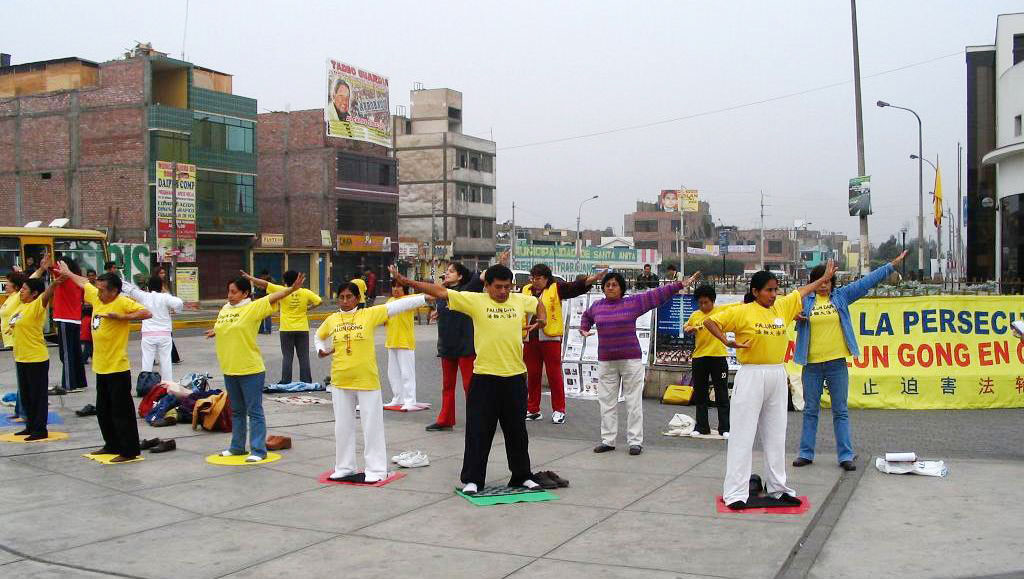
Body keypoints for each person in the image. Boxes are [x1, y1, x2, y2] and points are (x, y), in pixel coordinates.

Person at [391, 264, 546, 495]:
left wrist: (542, 318)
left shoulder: (519, 300)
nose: (503, 291)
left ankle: (522, 476)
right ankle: (473, 479)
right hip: (484, 378)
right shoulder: (475, 300)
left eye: (507, 287)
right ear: (487, 286)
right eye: (498, 287)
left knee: (517, 432)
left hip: (514, 378)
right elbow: (440, 291)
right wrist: (407, 281)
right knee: (478, 432)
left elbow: (538, 303)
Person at [703, 263, 837, 510]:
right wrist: (727, 341)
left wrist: (824, 278)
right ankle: (736, 492)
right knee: (743, 435)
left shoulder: (782, 307)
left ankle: (778, 488)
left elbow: (803, 291)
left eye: (775, 289)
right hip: (751, 375)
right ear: (755, 292)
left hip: (777, 373)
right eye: (768, 290)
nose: (774, 294)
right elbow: (710, 322)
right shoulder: (742, 312)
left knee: (776, 435)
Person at [793, 251, 907, 471]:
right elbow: (781, 308)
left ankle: (845, 455)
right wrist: (794, 315)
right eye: (820, 281)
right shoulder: (803, 300)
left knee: (840, 410)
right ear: (813, 283)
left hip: (836, 364)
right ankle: (805, 453)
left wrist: (891, 265)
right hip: (811, 365)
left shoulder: (841, 297)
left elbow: (866, 282)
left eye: (827, 281)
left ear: (833, 283)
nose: (823, 286)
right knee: (810, 410)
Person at [314, 281, 427, 482]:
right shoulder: (332, 319)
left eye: (349, 297)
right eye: (342, 297)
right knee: (342, 426)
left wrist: (425, 297)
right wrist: (321, 349)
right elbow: (318, 336)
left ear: (358, 298)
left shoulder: (369, 314)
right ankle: (344, 467)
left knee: (372, 426)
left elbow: (397, 306)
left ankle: (376, 469)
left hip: (367, 380)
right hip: (340, 380)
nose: (345, 301)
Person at [581, 270, 699, 455]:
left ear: (622, 288)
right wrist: (584, 328)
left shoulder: (632, 303)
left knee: (633, 402)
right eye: (607, 285)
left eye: (614, 285)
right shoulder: (597, 306)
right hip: (606, 361)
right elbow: (586, 317)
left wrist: (679, 285)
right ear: (603, 288)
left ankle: (635, 442)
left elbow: (656, 294)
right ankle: (608, 440)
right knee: (606, 402)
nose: (610, 287)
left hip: (630, 360)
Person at [57, 261, 153, 462]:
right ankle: (111, 444)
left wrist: (122, 317)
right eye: (98, 289)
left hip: (117, 367)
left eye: (102, 290)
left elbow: (147, 312)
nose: (98, 292)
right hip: (101, 367)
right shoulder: (97, 297)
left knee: (121, 412)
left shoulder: (122, 301)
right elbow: (84, 283)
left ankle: (129, 450)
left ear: (114, 291)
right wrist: (68, 273)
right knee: (103, 410)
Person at [206, 274, 303, 462]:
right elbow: (225, 326)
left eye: (234, 292)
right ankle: (237, 447)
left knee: (254, 411)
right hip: (230, 368)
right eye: (229, 291)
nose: (230, 295)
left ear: (245, 293)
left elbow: (273, 297)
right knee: (237, 411)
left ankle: (258, 450)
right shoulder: (225, 309)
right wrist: (215, 331)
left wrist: (292, 289)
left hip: (250, 369)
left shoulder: (252, 307)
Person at [522, 264, 601, 424]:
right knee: (533, 375)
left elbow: (574, 287)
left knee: (554, 375)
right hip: (530, 338)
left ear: (546, 278)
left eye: (538, 278)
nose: (535, 281)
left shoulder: (556, 288)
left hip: (550, 338)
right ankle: (533, 409)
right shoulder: (525, 290)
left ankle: (559, 410)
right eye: (533, 278)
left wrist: (589, 280)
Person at [425, 262, 483, 432]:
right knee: (447, 386)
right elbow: (443, 309)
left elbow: (479, 277)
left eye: (451, 271)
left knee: (469, 386)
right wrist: (437, 313)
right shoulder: (442, 293)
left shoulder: (468, 290)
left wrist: (501, 262)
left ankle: (477, 420)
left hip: (466, 345)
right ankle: (446, 419)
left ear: (460, 276)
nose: (447, 273)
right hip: (446, 345)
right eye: (447, 271)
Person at [242, 270, 322, 384]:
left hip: (286, 329)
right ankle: (306, 380)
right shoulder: (306, 292)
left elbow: (264, 284)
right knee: (304, 356)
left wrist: (250, 278)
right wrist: (308, 308)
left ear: (285, 281)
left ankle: (286, 381)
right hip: (302, 329)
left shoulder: (281, 290)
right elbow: (319, 301)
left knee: (287, 356)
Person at [7, 277, 59, 440]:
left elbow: (46, 295)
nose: (21, 291)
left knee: (38, 396)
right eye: (21, 288)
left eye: (24, 289)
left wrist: (55, 283)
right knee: (26, 396)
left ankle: (40, 429)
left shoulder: (36, 305)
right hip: (21, 358)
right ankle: (30, 426)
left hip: (36, 359)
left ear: (34, 293)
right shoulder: (21, 306)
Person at [684, 284, 737, 437]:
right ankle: (702, 427)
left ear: (713, 301)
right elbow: (686, 327)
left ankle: (725, 428)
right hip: (699, 357)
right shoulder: (695, 315)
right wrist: (689, 329)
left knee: (721, 392)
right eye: (700, 303)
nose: (703, 306)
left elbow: (740, 305)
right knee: (700, 393)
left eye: (706, 302)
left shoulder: (721, 311)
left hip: (718, 357)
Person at [121, 276, 184, 383]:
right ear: (161, 286)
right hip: (164, 334)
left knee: (147, 361)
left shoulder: (144, 296)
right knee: (166, 361)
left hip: (148, 334)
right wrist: (177, 310)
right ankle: (167, 384)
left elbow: (130, 290)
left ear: (148, 286)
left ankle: (145, 385)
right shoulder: (165, 297)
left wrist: (119, 281)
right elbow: (179, 303)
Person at [385, 280, 421, 410]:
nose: (395, 289)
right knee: (393, 374)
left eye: (399, 286)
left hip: (405, 342)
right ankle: (398, 398)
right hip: (391, 342)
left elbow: (424, 297)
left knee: (407, 374)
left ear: (404, 288)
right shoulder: (389, 301)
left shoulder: (409, 300)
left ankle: (410, 400)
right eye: (393, 286)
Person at [1, 272, 26, 350]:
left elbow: (31, 280)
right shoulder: (10, 298)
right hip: (10, 339)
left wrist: (41, 269)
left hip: (16, 338)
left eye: (8, 282)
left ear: (16, 286)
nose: (6, 284)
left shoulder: (18, 296)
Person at [255, 270, 273, 334]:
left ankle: (268, 330)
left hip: (268, 299)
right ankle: (261, 330)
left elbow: (264, 288)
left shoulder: (270, 281)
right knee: (260, 315)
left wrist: (258, 286)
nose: (262, 277)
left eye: (263, 276)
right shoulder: (261, 280)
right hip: (261, 299)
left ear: (266, 275)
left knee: (267, 315)